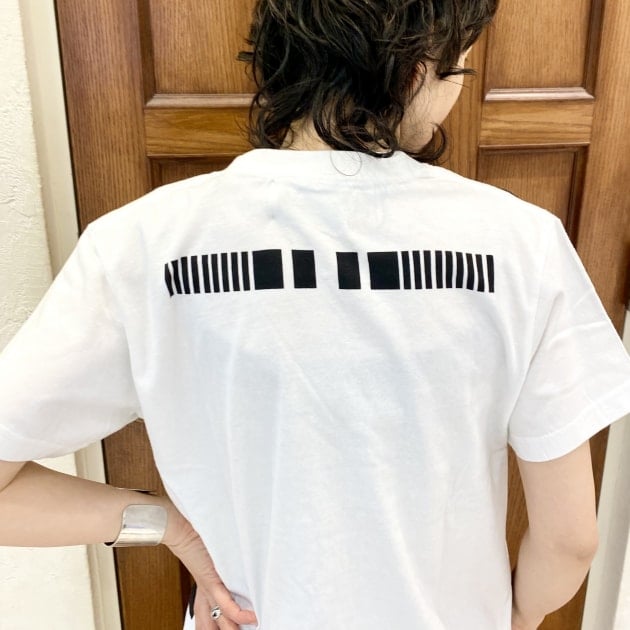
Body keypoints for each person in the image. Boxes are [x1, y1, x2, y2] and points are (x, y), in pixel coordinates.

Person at [1, 1, 629, 628]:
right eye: (458, 69)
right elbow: (570, 539)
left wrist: (167, 525)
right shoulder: (523, 244)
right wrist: (513, 616)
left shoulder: (139, 245)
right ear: (418, 67)